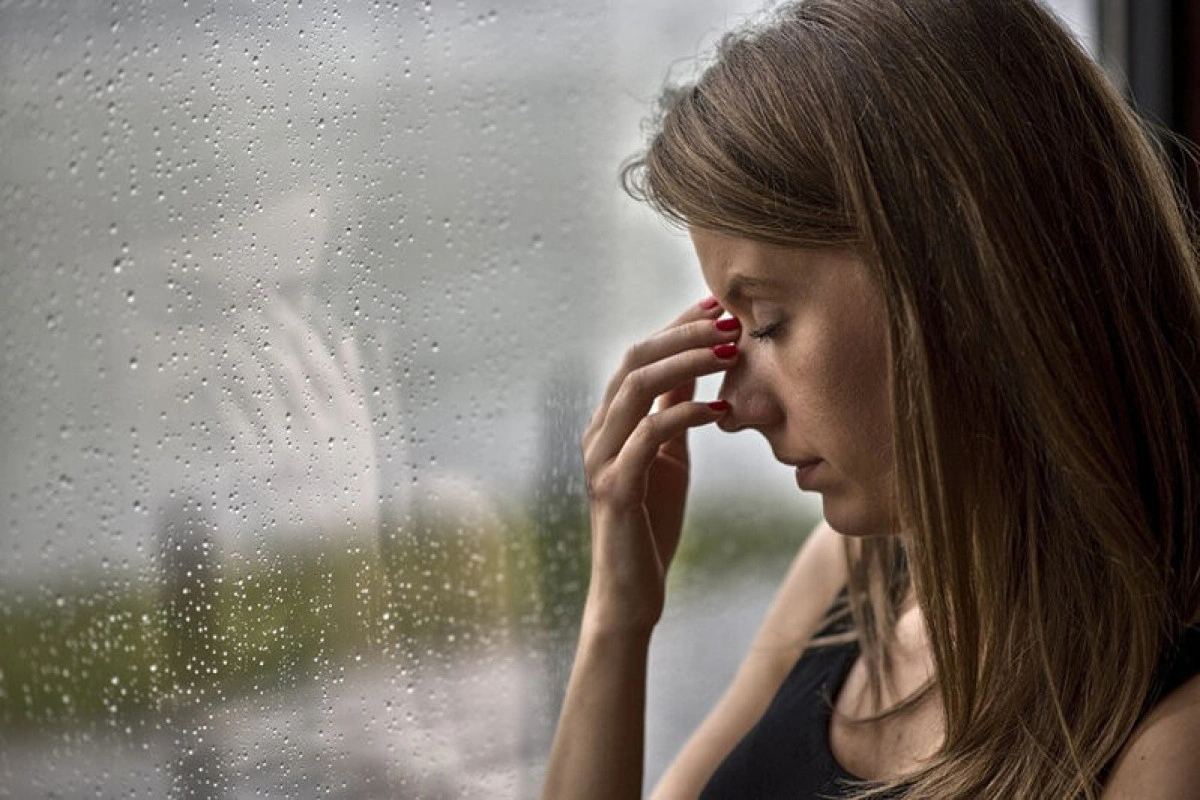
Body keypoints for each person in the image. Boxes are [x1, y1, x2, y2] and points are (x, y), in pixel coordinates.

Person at [539, 0, 1200, 797]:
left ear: (958, 281)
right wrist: (616, 620)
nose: (736, 404)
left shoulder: (1170, 741)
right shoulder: (853, 581)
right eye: (730, 326)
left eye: (770, 322)